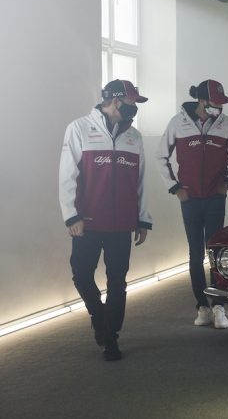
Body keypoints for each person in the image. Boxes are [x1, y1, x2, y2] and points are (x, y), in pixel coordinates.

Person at [59, 79, 152, 361]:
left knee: (117, 282)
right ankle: (98, 316)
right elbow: (67, 176)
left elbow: (141, 181)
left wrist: (143, 219)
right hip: (86, 222)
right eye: (131, 103)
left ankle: (111, 337)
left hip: (122, 224)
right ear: (115, 101)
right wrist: (71, 215)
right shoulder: (79, 128)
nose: (134, 108)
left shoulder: (134, 137)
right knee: (81, 275)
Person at [156, 79, 228, 329]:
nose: (220, 107)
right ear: (202, 101)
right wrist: (175, 188)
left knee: (215, 253)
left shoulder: (226, 124)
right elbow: (161, 156)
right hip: (190, 200)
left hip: (216, 198)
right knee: (195, 255)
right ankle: (202, 307)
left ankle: (219, 307)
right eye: (217, 102)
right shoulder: (178, 123)